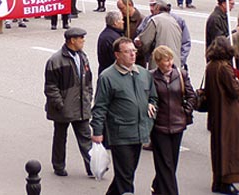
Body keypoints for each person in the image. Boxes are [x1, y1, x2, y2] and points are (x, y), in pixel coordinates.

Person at [90, 37, 158, 195]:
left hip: (140, 131)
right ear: (117, 55)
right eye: (127, 52)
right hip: (120, 134)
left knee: (126, 174)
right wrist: (97, 132)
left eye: (134, 51)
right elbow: (100, 106)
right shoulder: (108, 77)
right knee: (126, 177)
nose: (132, 54)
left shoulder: (143, 74)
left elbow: (153, 97)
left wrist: (151, 106)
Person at [44, 27, 94, 178]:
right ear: (72, 41)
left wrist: (88, 97)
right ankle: (59, 166)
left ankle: (92, 168)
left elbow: (88, 80)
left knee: (85, 138)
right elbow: (51, 87)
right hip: (63, 109)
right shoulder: (55, 60)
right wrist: (60, 105)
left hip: (81, 106)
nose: (83, 41)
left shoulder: (82, 57)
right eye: (81, 38)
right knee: (60, 138)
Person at [205, 36, 239, 195]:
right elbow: (235, 90)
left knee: (218, 146)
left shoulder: (210, 66)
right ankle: (227, 182)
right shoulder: (224, 68)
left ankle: (217, 181)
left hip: (216, 112)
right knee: (230, 148)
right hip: (229, 113)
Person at [150, 45, 196, 195]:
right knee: (165, 163)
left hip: (177, 124)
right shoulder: (151, 77)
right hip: (159, 126)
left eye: (170, 59)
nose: (169, 63)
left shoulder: (181, 74)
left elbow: (191, 95)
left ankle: (158, 187)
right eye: (165, 60)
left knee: (172, 163)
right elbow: (148, 98)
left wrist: (185, 112)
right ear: (158, 62)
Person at [135, 0, 183, 69]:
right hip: (175, 64)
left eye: (153, 6)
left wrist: (138, 44)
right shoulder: (174, 22)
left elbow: (145, 42)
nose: (151, 9)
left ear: (157, 7)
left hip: (160, 64)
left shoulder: (154, 20)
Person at [97, 11, 124, 76]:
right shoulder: (113, 38)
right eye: (121, 20)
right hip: (112, 73)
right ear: (115, 23)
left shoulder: (108, 34)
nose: (123, 22)